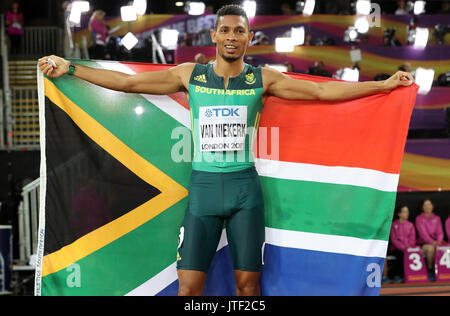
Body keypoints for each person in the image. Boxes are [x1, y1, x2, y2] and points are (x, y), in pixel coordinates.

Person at [38, 4, 414, 296]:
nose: (232, 36)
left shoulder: (261, 79)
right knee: (188, 289)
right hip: (202, 192)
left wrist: (381, 86)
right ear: (214, 37)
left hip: (244, 194)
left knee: (249, 288)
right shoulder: (190, 76)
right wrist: (70, 68)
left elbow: (321, 92)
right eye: (225, 30)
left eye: (240, 30)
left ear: (249, 37)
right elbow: (126, 84)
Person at [415, 199, 445, 281]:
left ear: (432, 206)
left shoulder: (437, 218)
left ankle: (444, 272)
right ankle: (430, 271)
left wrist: (438, 242)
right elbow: (423, 234)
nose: (427, 207)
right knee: (431, 249)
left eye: (429, 204)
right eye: (425, 205)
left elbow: (440, 232)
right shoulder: (419, 218)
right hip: (424, 244)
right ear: (422, 207)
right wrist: (432, 242)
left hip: (437, 243)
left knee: (444, 249)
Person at [385, 206, 416, 283]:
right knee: (401, 254)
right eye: (405, 212)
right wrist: (403, 247)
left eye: (407, 212)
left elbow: (412, 238)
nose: (407, 213)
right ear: (399, 214)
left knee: (413, 254)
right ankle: (398, 275)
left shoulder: (410, 225)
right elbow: (394, 239)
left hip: (408, 248)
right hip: (396, 248)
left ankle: (411, 275)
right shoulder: (394, 225)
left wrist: (409, 246)